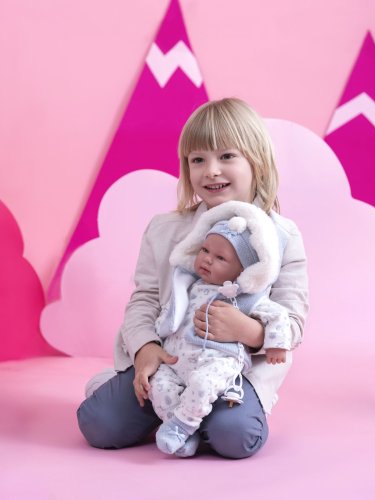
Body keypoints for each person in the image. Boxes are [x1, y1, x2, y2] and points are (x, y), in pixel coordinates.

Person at [77, 97, 309, 459]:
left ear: (257, 161)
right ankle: (157, 406)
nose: (211, 171)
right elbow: (145, 298)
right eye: (198, 159)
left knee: (234, 437)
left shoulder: (283, 236)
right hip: (170, 361)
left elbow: (292, 320)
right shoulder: (165, 229)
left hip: (229, 370)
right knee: (99, 423)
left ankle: (194, 419)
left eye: (226, 156)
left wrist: (247, 331)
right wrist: (145, 347)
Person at [150, 201, 292, 457]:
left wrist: (276, 345)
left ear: (241, 270)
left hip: (215, 361)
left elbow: (279, 315)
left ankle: (183, 424)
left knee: (203, 384)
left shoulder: (246, 296)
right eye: (205, 250)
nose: (207, 259)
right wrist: (156, 336)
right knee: (159, 387)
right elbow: (171, 313)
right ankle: (180, 430)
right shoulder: (189, 284)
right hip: (175, 360)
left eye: (220, 258)